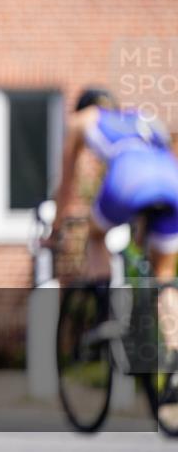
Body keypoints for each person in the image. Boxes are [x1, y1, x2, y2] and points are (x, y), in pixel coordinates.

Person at [45, 88, 178, 353]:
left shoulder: (82, 120)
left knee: (95, 235)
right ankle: (175, 357)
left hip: (127, 179)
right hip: (171, 182)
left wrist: (56, 229)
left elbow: (66, 184)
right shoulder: (143, 119)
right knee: (163, 278)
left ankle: (105, 309)